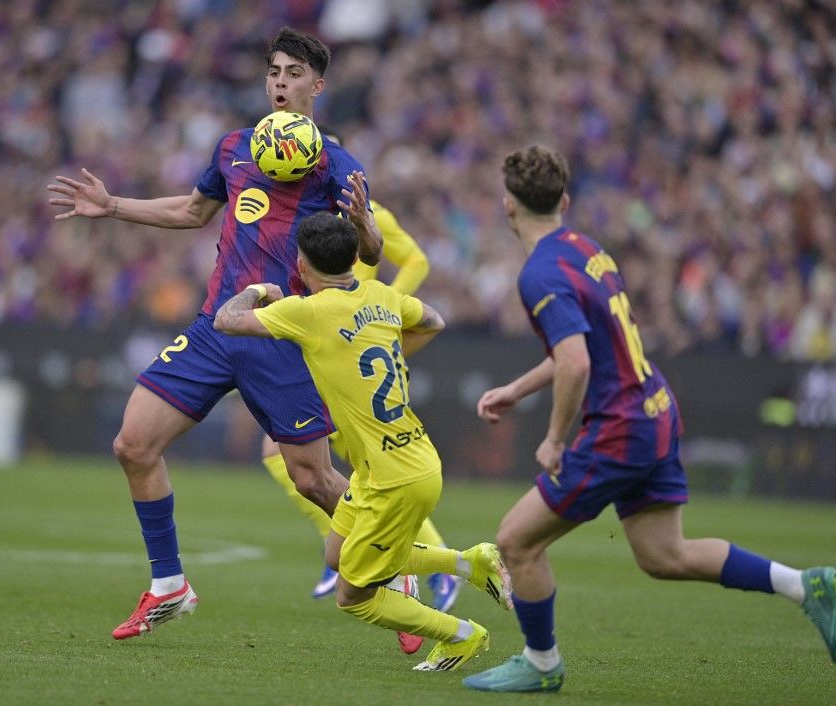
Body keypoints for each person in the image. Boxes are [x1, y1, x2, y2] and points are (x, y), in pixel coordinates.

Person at [462, 145, 836, 693]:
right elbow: (588, 346)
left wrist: (554, 439)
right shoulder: (586, 248)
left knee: (516, 542)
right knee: (664, 555)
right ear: (565, 201)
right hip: (656, 409)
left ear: (507, 205)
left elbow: (575, 360)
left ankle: (541, 664)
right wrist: (517, 390)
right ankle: (803, 586)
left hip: (619, 426)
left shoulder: (539, 273)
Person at [46, 27, 383, 640]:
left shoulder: (338, 163)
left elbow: (372, 250)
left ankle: (396, 574)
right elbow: (194, 212)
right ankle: (170, 585)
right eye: (274, 72)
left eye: (293, 74)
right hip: (215, 328)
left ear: (317, 85)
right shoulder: (235, 147)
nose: (280, 82)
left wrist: (364, 226)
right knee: (133, 444)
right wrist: (114, 205)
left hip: (282, 333)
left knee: (313, 478)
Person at [213, 210, 512, 672]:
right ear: (355, 257)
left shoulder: (308, 311)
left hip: (397, 479)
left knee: (353, 595)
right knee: (337, 554)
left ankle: (462, 635)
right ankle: (469, 563)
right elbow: (432, 320)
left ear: (302, 267)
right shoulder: (384, 296)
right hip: (393, 464)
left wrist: (257, 291)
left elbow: (226, 320)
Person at [259, 133, 461, 614]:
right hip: (327, 335)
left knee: (357, 463)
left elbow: (417, 259)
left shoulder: (364, 210)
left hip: (354, 336)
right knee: (314, 458)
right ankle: (367, 551)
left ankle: (415, 569)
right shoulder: (305, 217)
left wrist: (390, 309)